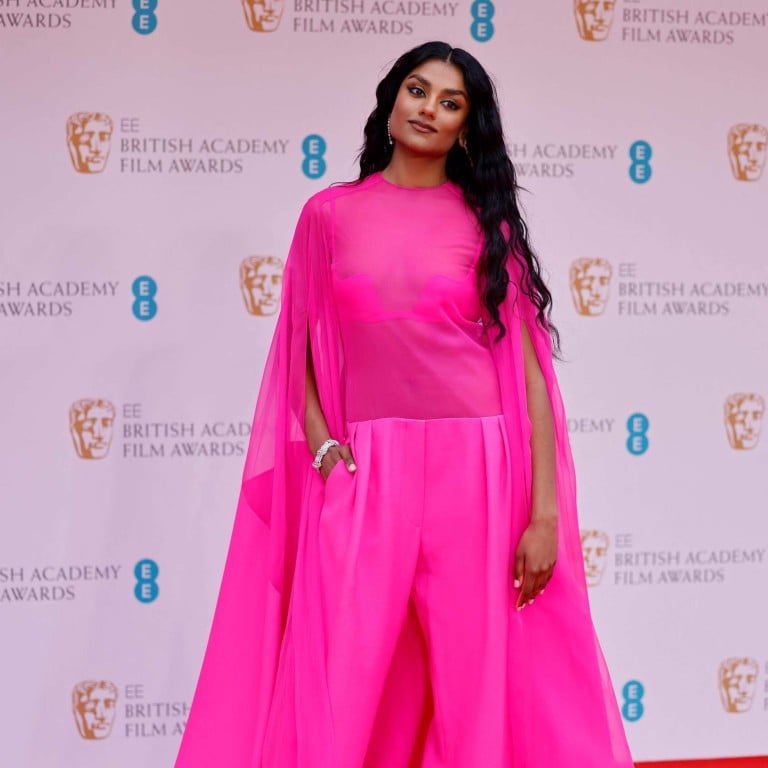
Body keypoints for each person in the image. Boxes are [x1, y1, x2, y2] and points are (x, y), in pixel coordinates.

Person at [176, 41, 633, 767]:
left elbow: (530, 379)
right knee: (342, 672)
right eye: (418, 91)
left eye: (450, 103)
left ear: (464, 128)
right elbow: (298, 350)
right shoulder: (328, 215)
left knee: (472, 680)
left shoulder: (489, 226)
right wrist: (327, 451)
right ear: (391, 102)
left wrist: (543, 514)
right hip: (366, 472)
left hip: (477, 471)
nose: (429, 109)